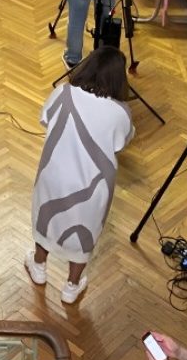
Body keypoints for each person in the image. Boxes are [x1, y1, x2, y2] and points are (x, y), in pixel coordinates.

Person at [25, 46, 134, 304]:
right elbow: (121, 143)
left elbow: (44, 120)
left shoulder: (62, 93)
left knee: (46, 218)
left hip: (54, 175)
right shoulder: (121, 113)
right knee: (85, 231)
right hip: (93, 186)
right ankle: (72, 286)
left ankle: (38, 266)